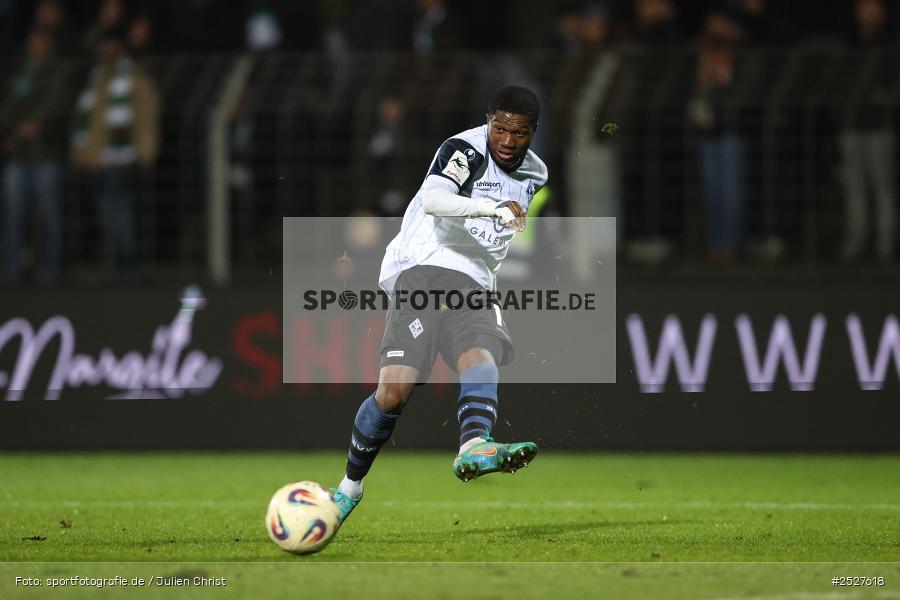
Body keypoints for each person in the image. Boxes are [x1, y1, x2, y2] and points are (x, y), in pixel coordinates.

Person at [328, 86, 548, 530]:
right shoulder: (463, 150)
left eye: (518, 132)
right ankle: (350, 487)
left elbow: (497, 241)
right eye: (500, 128)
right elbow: (434, 200)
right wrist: (490, 210)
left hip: (474, 279)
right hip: (424, 266)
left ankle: (473, 445)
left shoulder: (536, 174)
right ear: (488, 122)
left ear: (532, 133)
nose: (507, 140)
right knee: (394, 392)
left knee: (481, 354)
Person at [71, 25, 159, 276]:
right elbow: (85, 121)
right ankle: (116, 265)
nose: (103, 50)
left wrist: (145, 152)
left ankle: (129, 267)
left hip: (124, 159)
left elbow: (145, 117)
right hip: (98, 161)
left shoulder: (134, 78)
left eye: (108, 44)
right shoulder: (94, 78)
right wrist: (82, 154)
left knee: (124, 214)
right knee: (107, 215)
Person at [1, 29, 66, 285]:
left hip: (47, 153)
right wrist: (11, 132)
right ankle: (12, 270)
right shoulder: (19, 72)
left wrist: (40, 125)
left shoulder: (59, 70)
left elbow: (60, 106)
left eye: (41, 40)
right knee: (13, 215)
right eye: (32, 40)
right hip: (18, 154)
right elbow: (6, 108)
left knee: (49, 214)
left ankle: (50, 270)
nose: (36, 45)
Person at [838, 0, 896, 264]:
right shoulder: (848, 42)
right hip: (852, 124)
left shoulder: (891, 43)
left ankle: (885, 242)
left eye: (873, 7)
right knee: (854, 184)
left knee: (882, 184)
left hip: (880, 126)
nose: (868, 13)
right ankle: (856, 239)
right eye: (863, 7)